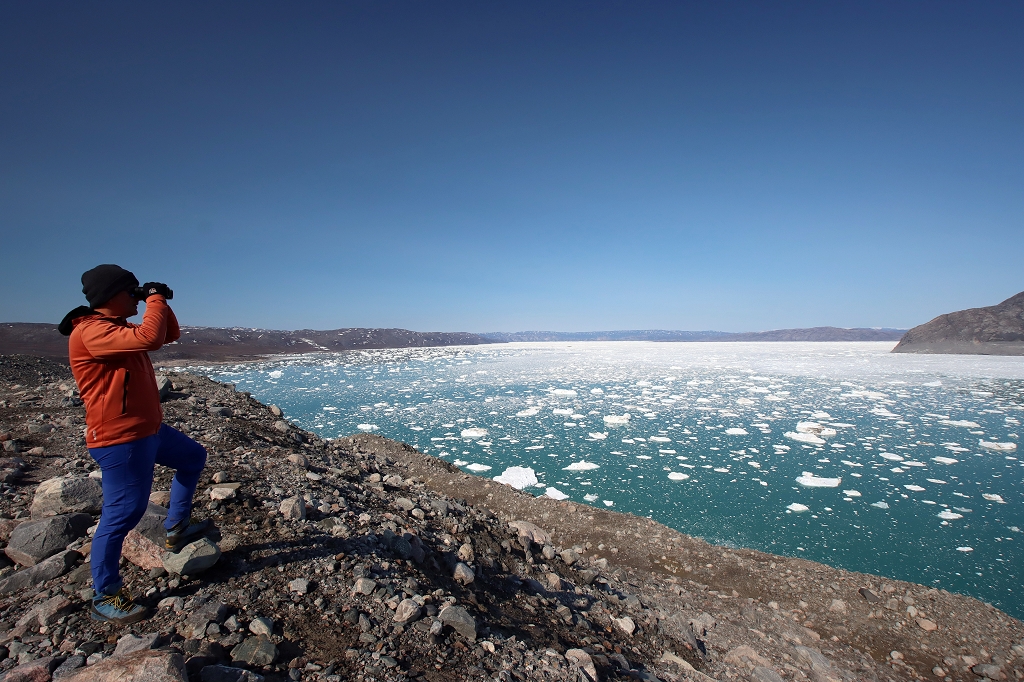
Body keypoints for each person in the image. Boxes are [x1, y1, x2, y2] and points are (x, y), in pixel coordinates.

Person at [58, 264, 211, 625]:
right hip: (120, 439)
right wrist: (153, 298)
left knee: (193, 457)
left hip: (147, 431)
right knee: (123, 513)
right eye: (132, 292)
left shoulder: (115, 328)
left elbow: (168, 333)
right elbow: (151, 338)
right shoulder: (91, 331)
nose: (137, 298)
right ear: (111, 294)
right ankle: (105, 594)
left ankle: (177, 527)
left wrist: (159, 301)